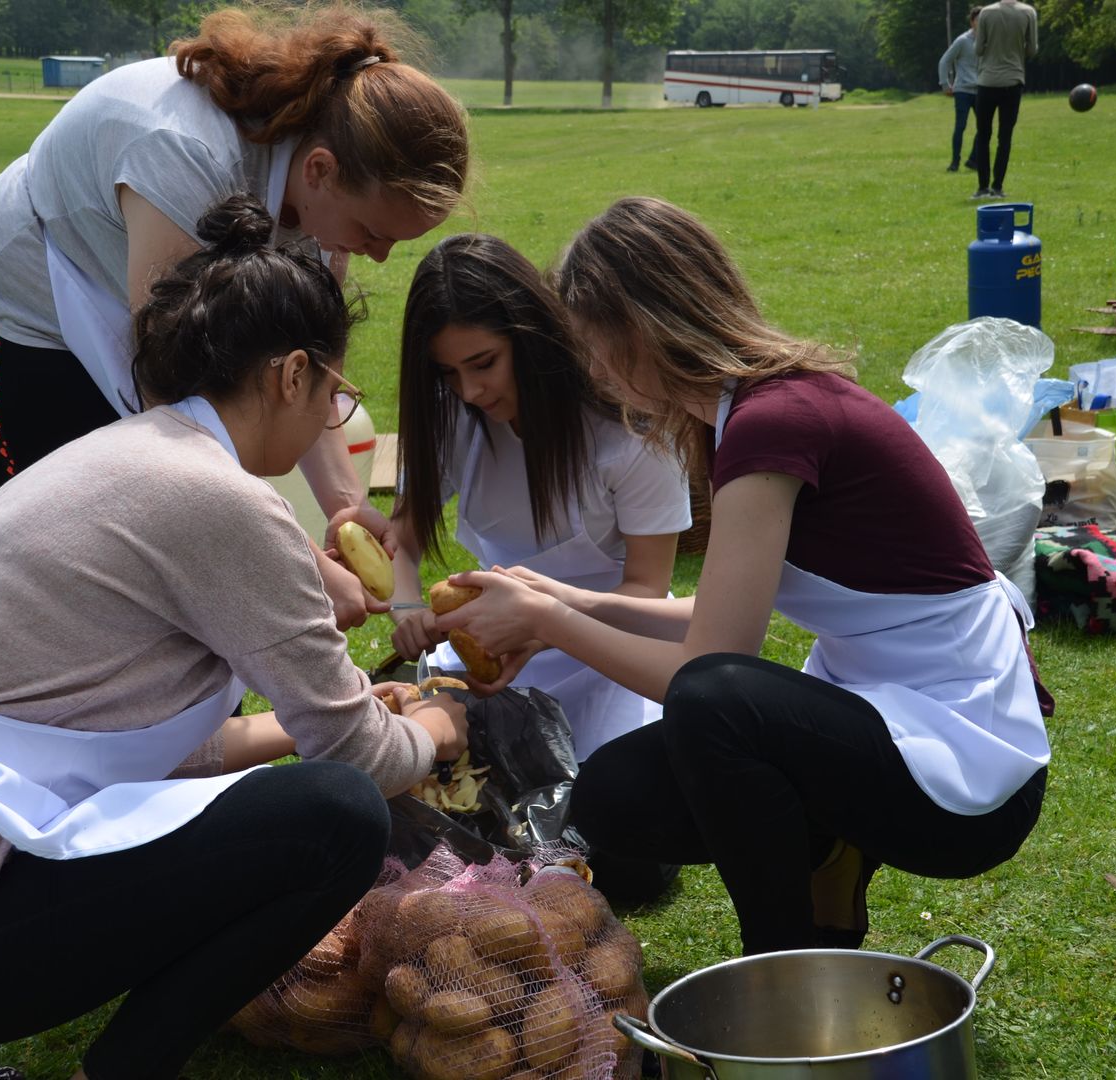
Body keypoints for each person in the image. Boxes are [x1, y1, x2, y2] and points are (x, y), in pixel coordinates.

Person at [0, 196, 470, 1080]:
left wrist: (305, 722)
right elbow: (355, 755)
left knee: (307, 803)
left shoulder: (118, 456)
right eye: (337, 396)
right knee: (337, 819)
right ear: (290, 375)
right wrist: (436, 725)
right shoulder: (222, 500)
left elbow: (128, 741)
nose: (329, 419)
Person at [433, 197, 1053, 956]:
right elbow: (715, 613)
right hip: (894, 713)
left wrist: (547, 622)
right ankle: (826, 856)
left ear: (643, 328)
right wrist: (562, 595)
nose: (591, 371)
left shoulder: (773, 421)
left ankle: (783, 965)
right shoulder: (742, 414)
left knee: (710, 701)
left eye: (595, 346)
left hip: (967, 758)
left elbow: (706, 667)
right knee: (614, 796)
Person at [0, 3, 469, 630]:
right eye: (372, 231)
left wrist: (346, 510)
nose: (377, 256)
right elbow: (185, 413)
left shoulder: (322, 196)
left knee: (180, 581)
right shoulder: (182, 158)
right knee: (86, 574)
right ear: (320, 170)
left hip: (138, 325)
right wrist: (300, 562)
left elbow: (311, 377)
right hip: (24, 328)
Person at [387, 233, 691, 764]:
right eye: (447, 374)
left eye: (485, 363)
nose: (470, 392)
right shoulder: (450, 415)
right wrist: (408, 606)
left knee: (604, 794)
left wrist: (545, 629)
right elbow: (403, 539)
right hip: (491, 647)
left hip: (612, 648)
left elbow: (647, 588)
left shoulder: (629, 431)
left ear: (531, 336)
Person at [971, 0, 1039, 198]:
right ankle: (998, 187)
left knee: (983, 136)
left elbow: (978, 50)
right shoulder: (1028, 12)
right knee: (1005, 137)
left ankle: (982, 187)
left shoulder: (986, 13)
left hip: (987, 81)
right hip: (1013, 80)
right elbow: (1032, 50)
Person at [939, 7, 984, 173]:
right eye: (979, 19)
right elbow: (944, 61)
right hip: (963, 90)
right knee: (960, 126)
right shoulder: (962, 40)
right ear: (972, 21)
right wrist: (945, 84)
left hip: (981, 89)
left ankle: (973, 160)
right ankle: (954, 162)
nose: (983, 23)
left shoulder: (988, 40)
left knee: (985, 127)